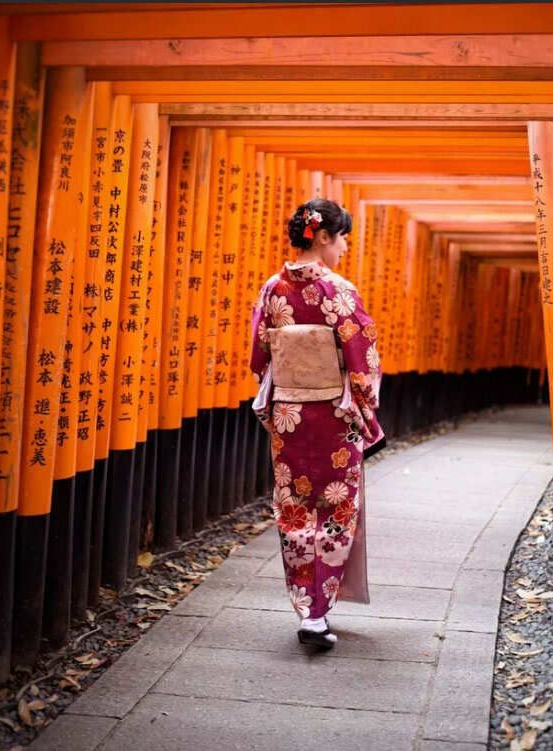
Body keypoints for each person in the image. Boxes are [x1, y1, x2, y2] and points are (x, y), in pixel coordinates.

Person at [249, 198, 383, 650]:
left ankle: (305, 605)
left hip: (288, 415)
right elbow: (361, 361)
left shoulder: (270, 290)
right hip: (332, 415)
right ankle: (318, 614)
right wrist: (367, 415)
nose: (344, 247)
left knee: (293, 507)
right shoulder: (339, 291)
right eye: (342, 237)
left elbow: (258, 356)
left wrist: (277, 405)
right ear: (323, 236)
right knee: (335, 509)